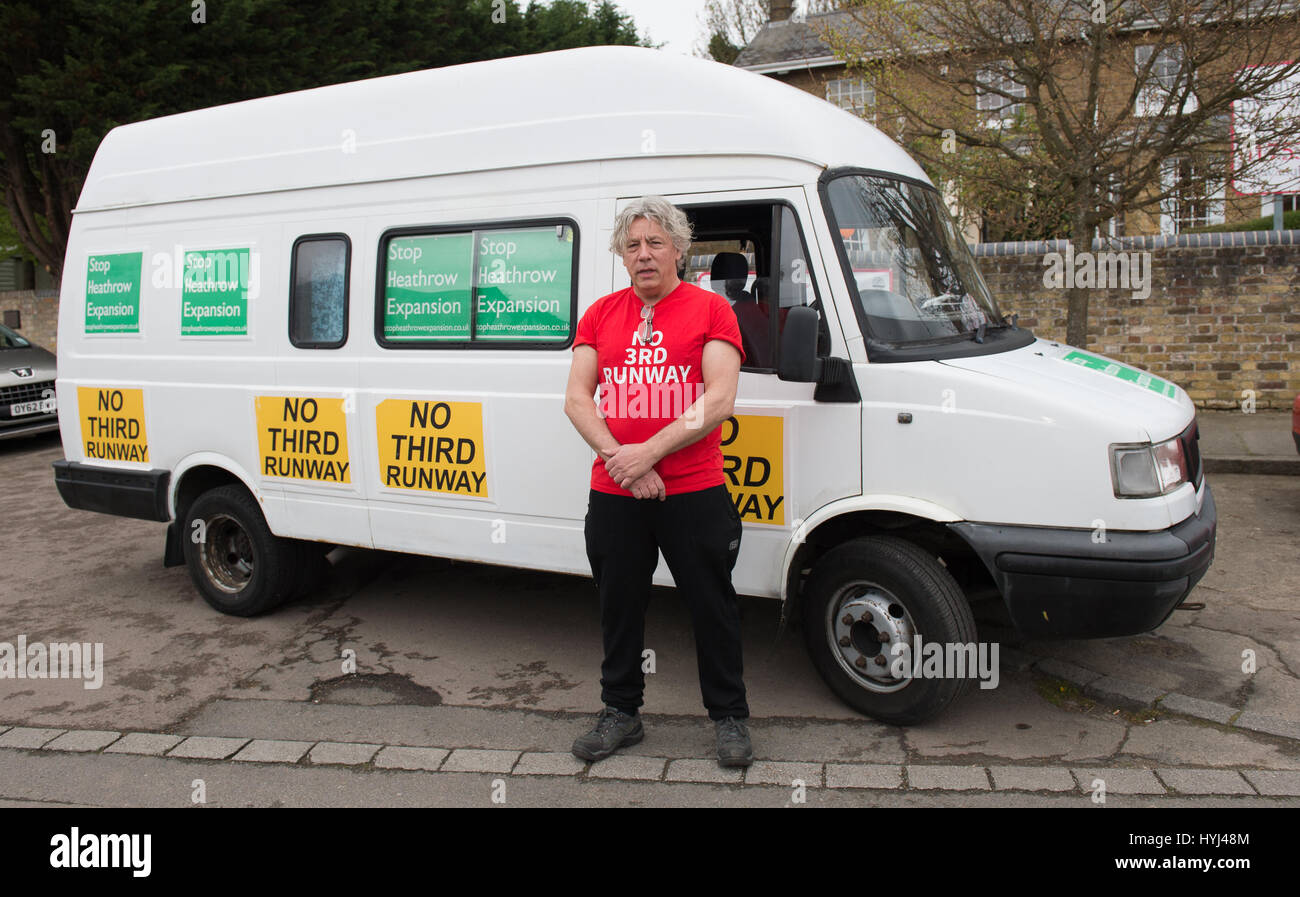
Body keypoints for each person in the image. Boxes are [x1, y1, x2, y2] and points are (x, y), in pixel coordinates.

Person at [563, 196, 752, 767]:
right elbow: (576, 399)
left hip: (694, 490)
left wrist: (649, 452)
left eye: (655, 243)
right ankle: (621, 712)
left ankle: (730, 718)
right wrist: (622, 459)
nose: (644, 255)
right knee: (618, 606)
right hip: (616, 492)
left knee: (710, 604)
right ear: (622, 255)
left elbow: (718, 398)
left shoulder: (712, 311)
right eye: (632, 245)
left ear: (678, 249)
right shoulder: (599, 314)